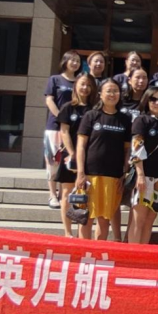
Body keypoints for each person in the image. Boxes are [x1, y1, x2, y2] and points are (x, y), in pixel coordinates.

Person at [76, 79, 131, 241]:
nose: (112, 94)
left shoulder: (124, 119)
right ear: (100, 94)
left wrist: (124, 172)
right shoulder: (91, 116)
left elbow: (127, 149)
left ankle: (98, 252)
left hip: (113, 176)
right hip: (89, 174)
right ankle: (83, 251)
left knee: (104, 219)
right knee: (85, 217)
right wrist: (80, 173)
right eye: (108, 91)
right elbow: (81, 146)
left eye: (115, 91)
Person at [128, 87, 158, 245]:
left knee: (149, 221)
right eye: (153, 99)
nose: (157, 102)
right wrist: (140, 175)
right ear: (146, 101)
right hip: (144, 176)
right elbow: (137, 148)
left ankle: (142, 253)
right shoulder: (141, 120)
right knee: (138, 220)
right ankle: (132, 253)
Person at [56, 74, 97, 238]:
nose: (85, 88)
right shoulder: (68, 107)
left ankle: (82, 234)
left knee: (85, 195)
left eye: (89, 85)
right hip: (70, 155)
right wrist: (72, 153)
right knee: (67, 193)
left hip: (90, 157)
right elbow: (64, 132)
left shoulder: (95, 108)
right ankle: (68, 232)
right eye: (82, 84)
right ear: (75, 86)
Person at [44, 50, 80, 209]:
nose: (75, 63)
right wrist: (61, 117)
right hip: (55, 126)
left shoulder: (79, 81)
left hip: (73, 127)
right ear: (65, 61)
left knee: (67, 161)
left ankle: (62, 193)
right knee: (53, 160)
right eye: (72, 60)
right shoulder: (55, 79)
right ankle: (52, 194)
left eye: (78, 61)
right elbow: (49, 100)